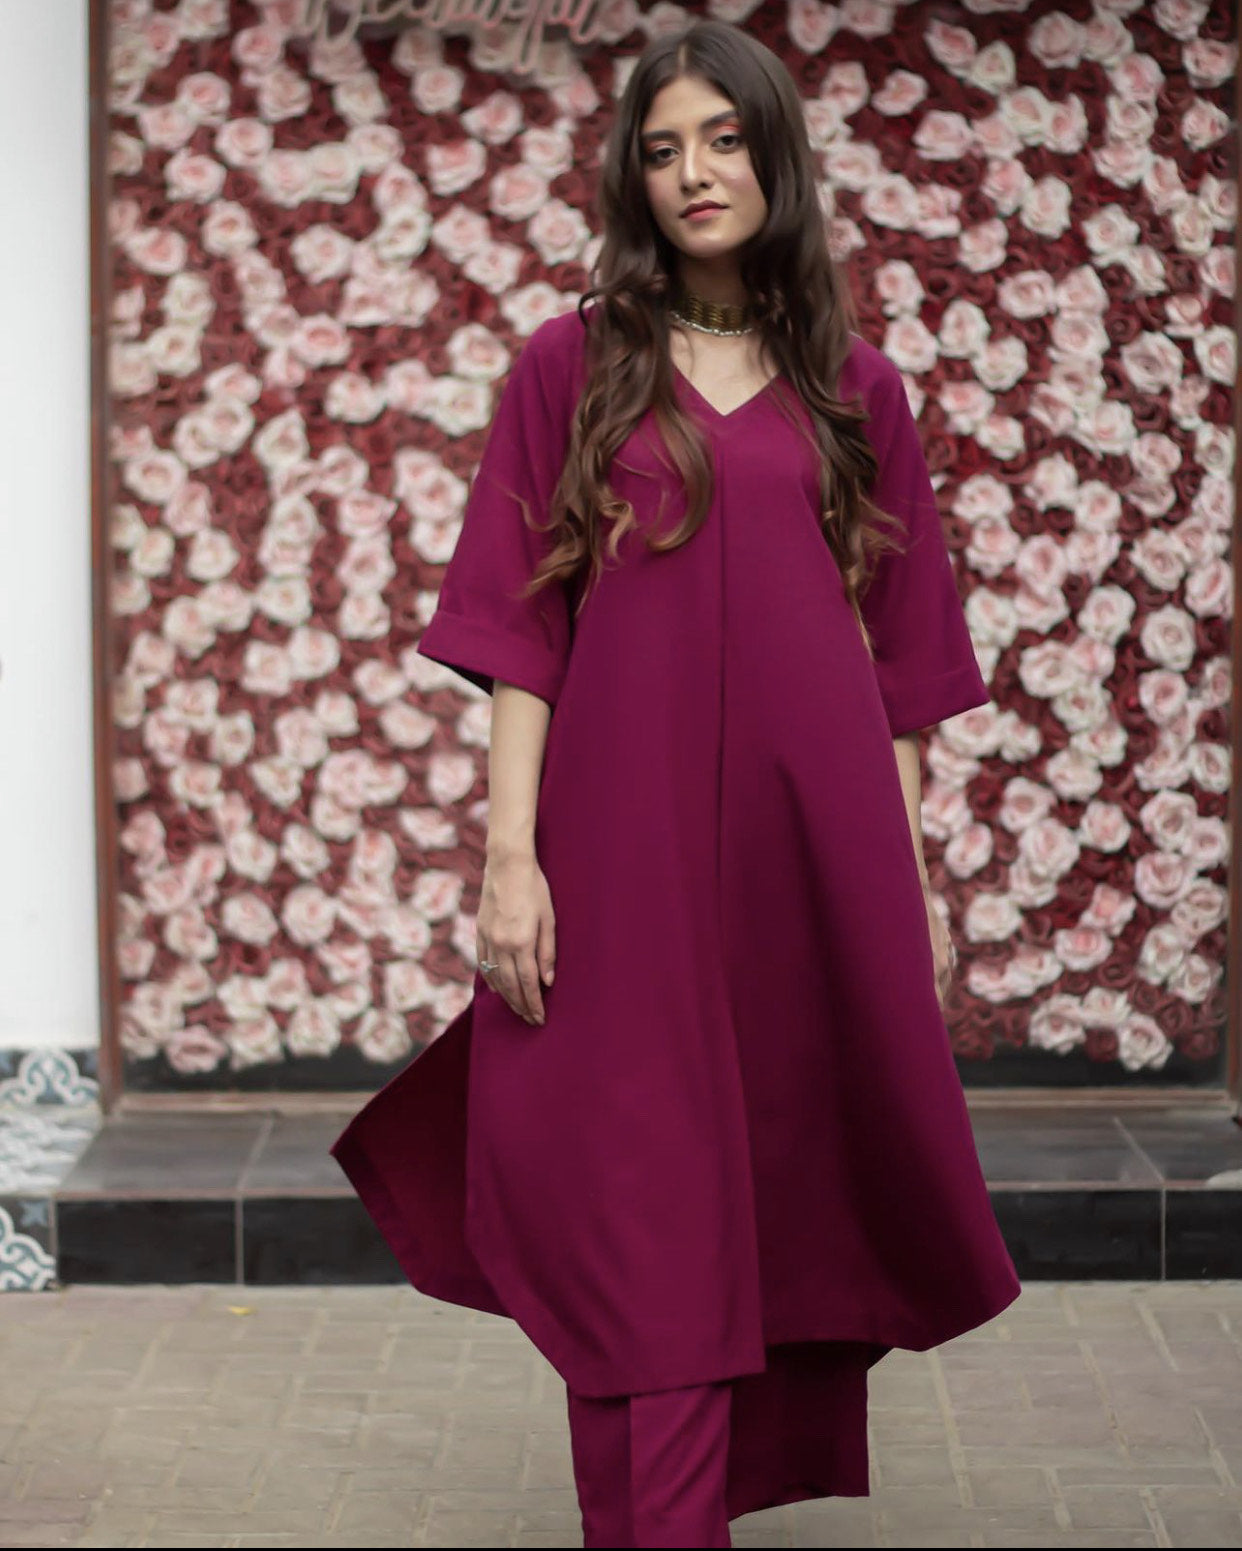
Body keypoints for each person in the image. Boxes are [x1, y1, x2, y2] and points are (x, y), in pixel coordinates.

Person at [331, 18, 1021, 1548]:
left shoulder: (854, 389)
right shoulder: (569, 367)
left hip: (810, 853)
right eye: (661, 150)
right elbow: (519, 628)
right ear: (631, 182)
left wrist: (906, 886)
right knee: (630, 1189)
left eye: (722, 139)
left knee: (783, 1174)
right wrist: (510, 858)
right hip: (620, 848)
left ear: (775, 157)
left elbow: (900, 667)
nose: (694, 172)